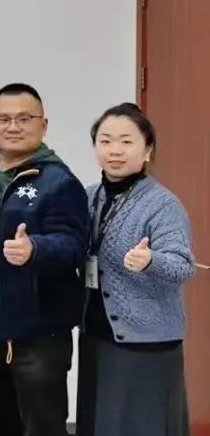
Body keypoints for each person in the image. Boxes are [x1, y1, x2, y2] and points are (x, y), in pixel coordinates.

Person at [0, 83, 89, 436]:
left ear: (43, 125)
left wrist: (35, 248)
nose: (13, 126)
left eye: (24, 119)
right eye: (4, 119)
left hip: (38, 332)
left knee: (42, 427)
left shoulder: (58, 181)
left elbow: (73, 245)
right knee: (7, 423)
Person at [75, 103, 195, 436]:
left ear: (147, 150)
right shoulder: (88, 197)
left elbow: (183, 266)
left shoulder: (162, 204)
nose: (115, 150)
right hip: (96, 333)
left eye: (126, 141)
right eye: (106, 141)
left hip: (145, 341)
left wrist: (150, 260)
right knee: (99, 423)